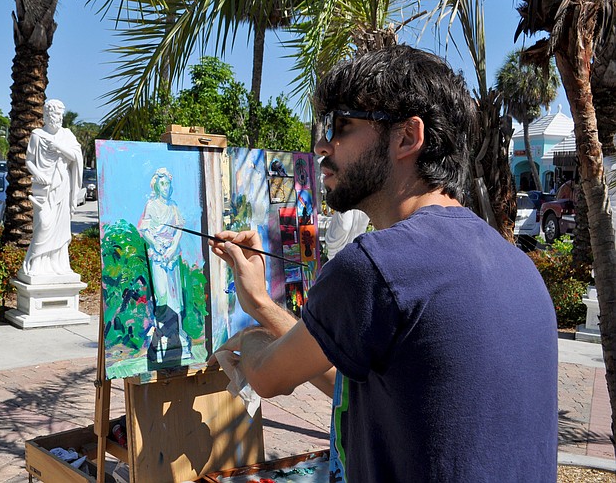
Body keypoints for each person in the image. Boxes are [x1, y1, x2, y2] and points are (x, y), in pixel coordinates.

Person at [210, 46, 557, 481]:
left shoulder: (375, 266)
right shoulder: (516, 265)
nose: (320, 145)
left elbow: (267, 376)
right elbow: (348, 372)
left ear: (407, 137)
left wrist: (249, 337)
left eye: (340, 124)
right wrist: (261, 302)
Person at [19, 99, 83, 279]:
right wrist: (37, 173)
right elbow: (29, 160)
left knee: (61, 227)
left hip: (62, 185)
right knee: (43, 225)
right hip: (43, 188)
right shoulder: (37, 135)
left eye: (61, 115)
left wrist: (59, 147)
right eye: (56, 115)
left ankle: (58, 264)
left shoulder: (67, 135)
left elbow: (75, 157)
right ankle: (35, 263)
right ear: (47, 115)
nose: (59, 118)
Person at [139, 167, 191, 363]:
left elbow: (179, 229)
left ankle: (178, 335)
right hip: (158, 256)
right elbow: (144, 230)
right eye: (163, 183)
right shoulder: (151, 205)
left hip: (172, 256)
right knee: (161, 295)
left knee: (175, 297)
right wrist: (158, 246)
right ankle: (162, 334)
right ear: (156, 185)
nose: (166, 187)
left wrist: (172, 248)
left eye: (168, 183)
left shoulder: (173, 206)